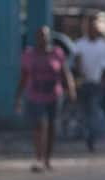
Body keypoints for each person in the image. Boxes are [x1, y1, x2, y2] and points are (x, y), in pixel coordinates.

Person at [14, 26, 76, 172]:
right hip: (35, 96)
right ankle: (38, 158)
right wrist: (17, 97)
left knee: (52, 127)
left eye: (45, 35)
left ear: (49, 37)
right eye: (40, 35)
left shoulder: (57, 53)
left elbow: (65, 72)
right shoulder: (29, 54)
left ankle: (48, 159)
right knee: (39, 125)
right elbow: (23, 77)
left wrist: (71, 90)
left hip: (54, 95)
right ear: (36, 38)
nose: (43, 38)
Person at [73, 15, 105, 152]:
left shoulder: (103, 46)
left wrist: (104, 83)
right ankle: (86, 135)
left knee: (93, 111)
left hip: (96, 84)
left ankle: (92, 138)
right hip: (83, 84)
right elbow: (77, 62)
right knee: (84, 112)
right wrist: (80, 74)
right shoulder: (79, 44)